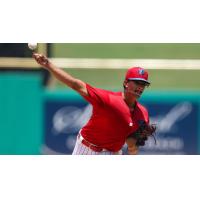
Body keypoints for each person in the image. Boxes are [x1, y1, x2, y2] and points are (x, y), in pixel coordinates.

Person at [33, 53, 151, 155]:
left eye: (143, 84)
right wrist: (48, 65)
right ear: (126, 82)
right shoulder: (108, 99)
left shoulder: (143, 114)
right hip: (85, 149)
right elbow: (76, 85)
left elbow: (131, 145)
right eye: (137, 83)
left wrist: (133, 146)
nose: (140, 87)